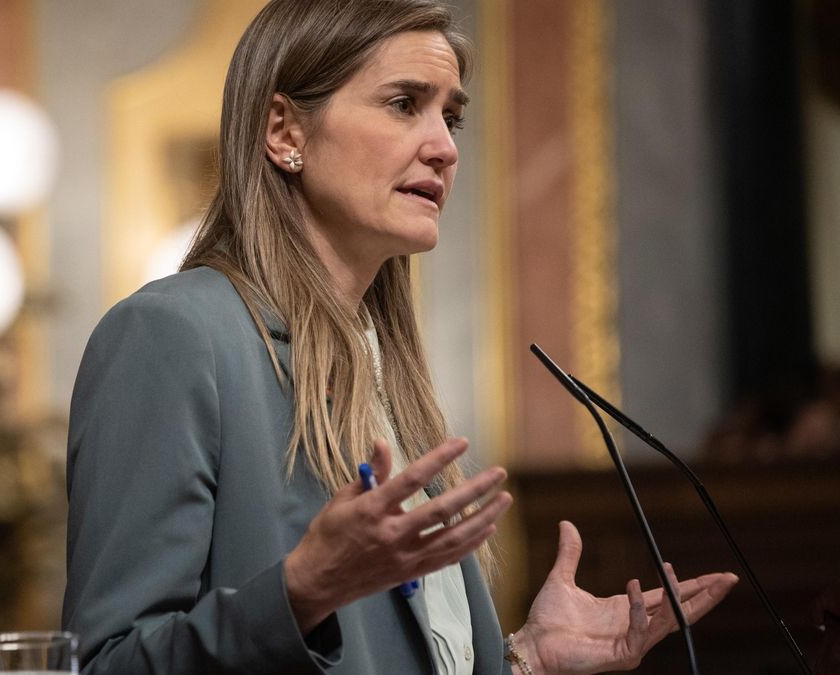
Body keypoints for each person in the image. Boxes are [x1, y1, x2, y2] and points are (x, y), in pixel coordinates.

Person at [62, 1, 739, 673]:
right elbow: (108, 664)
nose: (444, 147)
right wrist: (300, 594)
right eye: (403, 103)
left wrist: (524, 660)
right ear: (283, 131)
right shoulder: (172, 336)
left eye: (451, 115)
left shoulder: (383, 363)